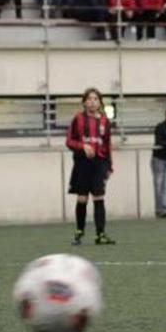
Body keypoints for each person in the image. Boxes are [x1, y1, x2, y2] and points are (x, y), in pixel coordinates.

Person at [65, 88, 116, 245]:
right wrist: (83, 147)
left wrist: (109, 166)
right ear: (84, 102)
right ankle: (79, 231)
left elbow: (107, 145)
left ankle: (100, 234)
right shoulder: (78, 119)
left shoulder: (105, 122)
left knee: (99, 196)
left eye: (95, 99)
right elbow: (69, 141)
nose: (92, 102)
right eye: (89, 99)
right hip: (82, 163)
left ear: (100, 102)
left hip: (99, 163)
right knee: (82, 198)